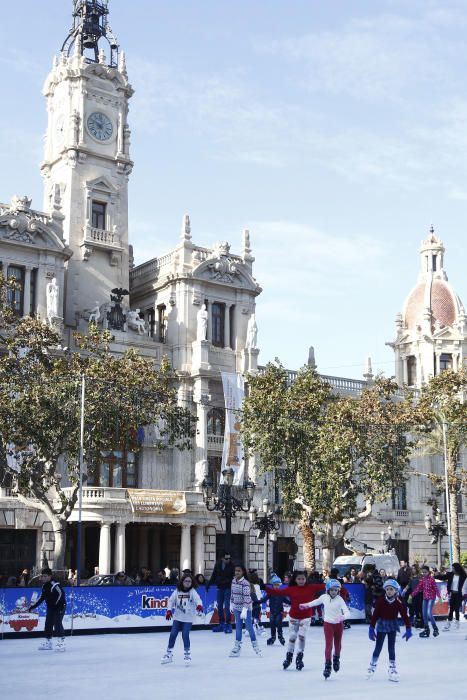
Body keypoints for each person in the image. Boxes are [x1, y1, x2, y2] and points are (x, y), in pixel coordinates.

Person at [266, 570, 317, 671]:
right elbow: (278, 592)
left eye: (303, 579)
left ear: (306, 579)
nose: (301, 580)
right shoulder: (291, 589)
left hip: (306, 617)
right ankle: (288, 657)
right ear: (295, 579)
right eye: (299, 579)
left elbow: (325, 587)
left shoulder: (310, 588)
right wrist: (265, 587)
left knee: (302, 636)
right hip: (293, 617)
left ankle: (299, 657)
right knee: (293, 636)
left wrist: (336, 586)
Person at [299, 578, 350, 679]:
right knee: (329, 645)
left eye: (336, 590)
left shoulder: (340, 599)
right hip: (328, 624)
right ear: (328, 590)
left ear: (338, 591)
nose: (334, 592)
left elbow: (348, 612)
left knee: (338, 645)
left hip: (338, 625)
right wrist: (306, 605)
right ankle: (327, 665)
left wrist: (342, 617)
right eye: (332, 590)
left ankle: (336, 659)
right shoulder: (324, 597)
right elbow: (315, 602)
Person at [367, 578, 411, 681]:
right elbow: (375, 615)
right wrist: (371, 627)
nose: (389, 591)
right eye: (387, 589)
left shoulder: (398, 601)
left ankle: (392, 668)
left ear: (396, 590)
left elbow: (404, 615)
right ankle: (372, 665)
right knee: (378, 647)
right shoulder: (381, 600)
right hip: (382, 624)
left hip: (392, 625)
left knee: (391, 648)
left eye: (391, 589)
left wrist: (408, 628)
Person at [161, 573, 203, 666]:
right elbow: (171, 600)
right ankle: (169, 654)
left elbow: (198, 599)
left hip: (188, 618)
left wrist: (199, 605)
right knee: (173, 634)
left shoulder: (192, 591)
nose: (188, 583)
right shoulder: (177, 591)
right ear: (182, 581)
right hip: (178, 617)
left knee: (185, 635)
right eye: (186, 581)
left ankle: (187, 654)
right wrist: (169, 610)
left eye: (189, 581)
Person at [28, 567, 67, 651]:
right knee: (48, 624)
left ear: (50, 576)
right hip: (51, 608)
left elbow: (61, 594)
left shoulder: (55, 584)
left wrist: (56, 605)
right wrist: (32, 607)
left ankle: (61, 643)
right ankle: (48, 643)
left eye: (45, 576)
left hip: (59, 607)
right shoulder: (44, 586)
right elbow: (42, 598)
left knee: (57, 623)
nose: (43, 578)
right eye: (42, 576)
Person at [228, 564, 262, 657]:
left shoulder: (245, 583)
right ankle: (237, 647)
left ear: (243, 572)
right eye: (236, 571)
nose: (237, 572)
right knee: (238, 627)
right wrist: (231, 604)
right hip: (236, 608)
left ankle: (256, 646)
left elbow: (247, 598)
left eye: (239, 571)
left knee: (249, 627)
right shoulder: (233, 581)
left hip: (246, 609)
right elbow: (232, 594)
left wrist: (244, 610)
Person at [408, 565, 439, 638]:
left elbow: (436, 588)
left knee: (429, 613)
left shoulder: (432, 579)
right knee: (424, 614)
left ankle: (435, 629)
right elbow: (418, 588)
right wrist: (411, 595)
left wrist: (439, 597)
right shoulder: (422, 579)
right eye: (423, 572)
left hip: (431, 597)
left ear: (428, 572)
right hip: (425, 598)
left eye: (425, 572)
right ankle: (426, 629)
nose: (424, 573)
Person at [208, 552, 235, 633]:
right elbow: (214, 574)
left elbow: (233, 577)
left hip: (228, 587)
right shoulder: (218, 564)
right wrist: (209, 584)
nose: (228, 560)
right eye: (226, 559)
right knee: (219, 606)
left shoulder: (232, 566)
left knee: (227, 606)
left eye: (229, 558)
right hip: (220, 587)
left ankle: (228, 624)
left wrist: (224, 581)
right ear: (222, 559)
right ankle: (222, 623)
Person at [442, 562, 467, 631]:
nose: (452, 569)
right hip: (452, 594)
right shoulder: (450, 574)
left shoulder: (463, 575)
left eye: (453, 568)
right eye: (452, 568)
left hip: (459, 594)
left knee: (456, 609)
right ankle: (448, 624)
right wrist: (433, 576)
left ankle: (457, 622)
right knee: (451, 609)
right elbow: (443, 577)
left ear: (457, 568)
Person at [264, 574, 287, 646]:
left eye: (278, 585)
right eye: (275, 585)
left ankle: (280, 637)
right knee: (272, 625)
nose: (276, 586)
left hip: (279, 612)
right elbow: (264, 599)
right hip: (272, 613)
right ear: (272, 586)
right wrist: (257, 602)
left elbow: (286, 601)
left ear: (279, 585)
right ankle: (273, 637)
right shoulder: (270, 593)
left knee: (279, 624)